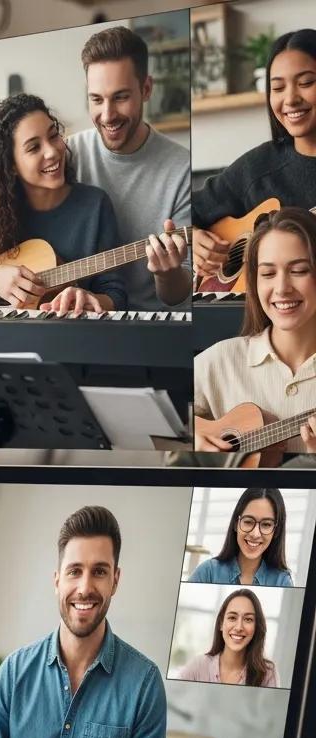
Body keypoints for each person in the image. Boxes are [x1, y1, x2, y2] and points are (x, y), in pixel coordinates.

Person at [0, 505, 167, 738]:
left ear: (115, 581)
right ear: (57, 581)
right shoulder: (14, 672)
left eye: (99, 572)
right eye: (74, 571)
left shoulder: (144, 684)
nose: (85, 588)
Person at [0, 93, 127, 314]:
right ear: (11, 166)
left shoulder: (95, 205)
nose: (52, 151)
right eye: (34, 148)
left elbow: (117, 296)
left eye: (54, 136)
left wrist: (89, 299)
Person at [66, 25, 191, 310]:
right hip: (79, 321)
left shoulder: (181, 167)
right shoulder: (66, 155)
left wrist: (167, 273)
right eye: (96, 99)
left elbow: (178, 294)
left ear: (146, 89)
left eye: (120, 97)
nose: (107, 115)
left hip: (152, 329)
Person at [193, 29, 316, 281]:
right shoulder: (257, 166)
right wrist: (193, 239)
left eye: (305, 83)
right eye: (278, 87)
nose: (290, 99)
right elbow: (186, 210)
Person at [195, 207, 316, 457]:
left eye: (299, 270)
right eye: (268, 274)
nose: (282, 288)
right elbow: (158, 430)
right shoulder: (218, 360)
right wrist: (192, 440)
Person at [189, 487, 293, 586]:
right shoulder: (207, 572)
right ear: (235, 524)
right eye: (248, 522)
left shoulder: (282, 581)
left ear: (276, 530)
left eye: (266, 524)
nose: (255, 534)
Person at [175, 590, 280, 688]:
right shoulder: (198, 666)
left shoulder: (267, 673)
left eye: (248, 619)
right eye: (232, 618)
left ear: (256, 627)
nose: (239, 627)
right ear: (221, 623)